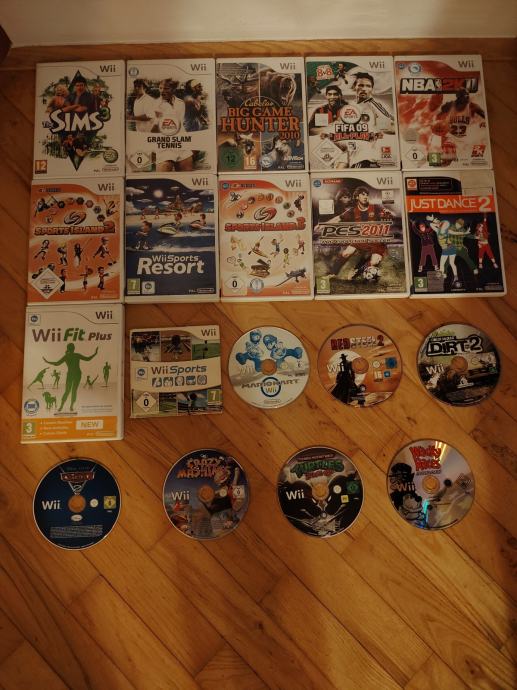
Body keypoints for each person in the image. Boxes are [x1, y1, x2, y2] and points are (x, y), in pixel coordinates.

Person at [43, 343, 98, 412]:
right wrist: (95, 353)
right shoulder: (76, 355)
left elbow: (57, 363)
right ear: (74, 348)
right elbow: (88, 359)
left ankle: (62, 406)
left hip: (72, 374)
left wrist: (47, 362)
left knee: (68, 391)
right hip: (77, 374)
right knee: (73, 391)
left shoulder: (67, 356)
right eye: (72, 347)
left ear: (68, 349)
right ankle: (69, 406)